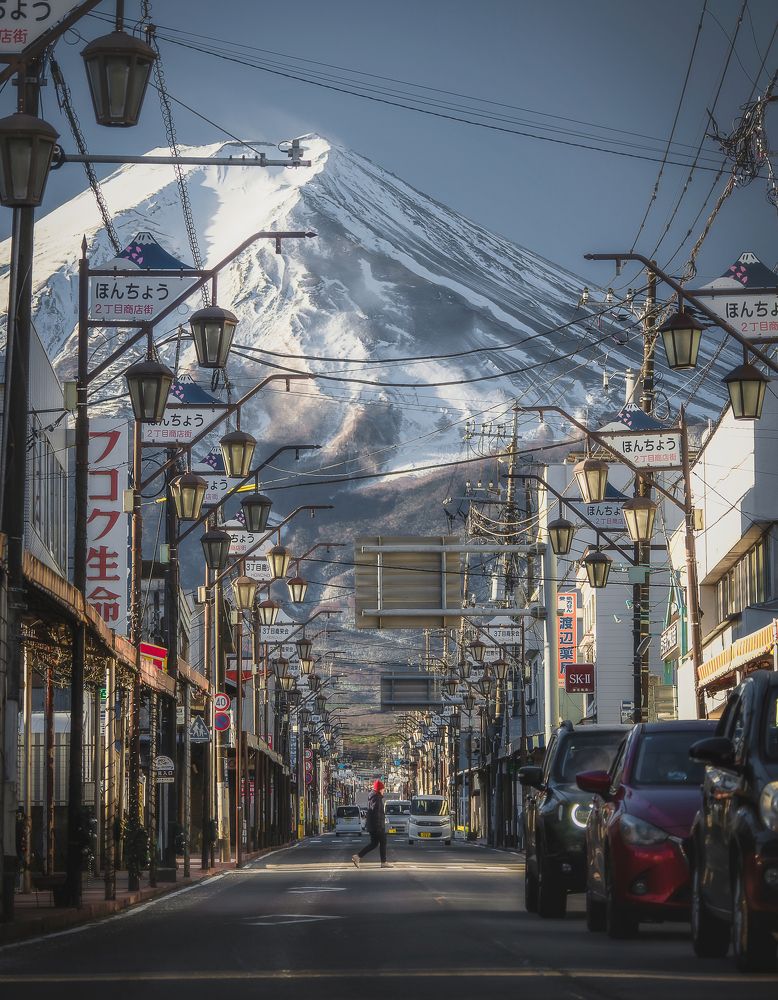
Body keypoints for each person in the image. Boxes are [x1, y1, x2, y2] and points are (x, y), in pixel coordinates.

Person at [352, 780, 389, 869]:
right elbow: (376, 813)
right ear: (379, 789)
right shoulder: (376, 798)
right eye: (383, 789)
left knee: (374, 843)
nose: (384, 790)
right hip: (377, 825)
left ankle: (357, 856)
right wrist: (379, 826)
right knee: (383, 841)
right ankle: (383, 862)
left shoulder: (374, 797)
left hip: (373, 825)